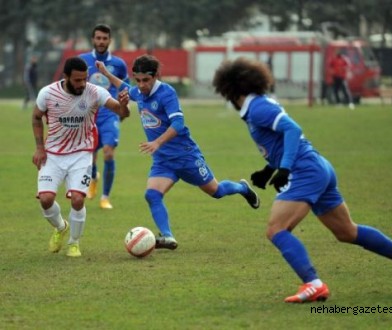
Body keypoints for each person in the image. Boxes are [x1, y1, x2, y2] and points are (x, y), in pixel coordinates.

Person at [212, 57, 392, 303]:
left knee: (276, 230)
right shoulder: (257, 107)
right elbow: (279, 141)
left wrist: (285, 168)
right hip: (317, 167)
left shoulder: (258, 107)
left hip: (306, 170)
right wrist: (269, 169)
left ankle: (313, 284)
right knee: (346, 231)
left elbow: (292, 129)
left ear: (229, 89)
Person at [95, 54, 260, 250]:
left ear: (156, 76)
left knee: (216, 192)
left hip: (186, 156)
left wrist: (157, 142)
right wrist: (106, 73)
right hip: (163, 161)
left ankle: (242, 188)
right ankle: (167, 236)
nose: (141, 85)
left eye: (145, 80)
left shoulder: (167, 93)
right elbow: (125, 88)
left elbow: (179, 124)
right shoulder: (139, 92)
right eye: (137, 80)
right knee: (152, 195)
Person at [32, 57, 130, 257]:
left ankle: (74, 243)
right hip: (53, 154)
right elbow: (36, 117)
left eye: (85, 79)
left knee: (77, 200)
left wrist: (124, 105)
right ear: (66, 77)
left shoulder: (95, 92)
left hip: (82, 154)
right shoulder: (48, 93)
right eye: (77, 80)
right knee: (46, 199)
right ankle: (61, 227)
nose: (82, 84)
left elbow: (121, 112)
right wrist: (40, 148)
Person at [79, 24, 130, 209]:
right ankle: (93, 177)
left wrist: (122, 110)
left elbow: (126, 87)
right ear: (93, 39)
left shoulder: (118, 64)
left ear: (109, 40)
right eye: (98, 38)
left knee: (108, 152)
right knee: (90, 156)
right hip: (88, 115)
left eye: (104, 38)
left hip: (109, 114)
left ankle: (105, 197)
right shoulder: (82, 60)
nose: (101, 41)